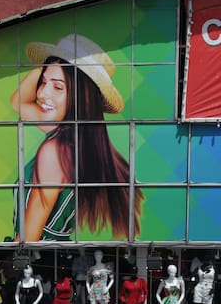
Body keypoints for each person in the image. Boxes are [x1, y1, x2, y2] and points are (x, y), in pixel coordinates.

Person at [10, 33, 143, 242]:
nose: (43, 93)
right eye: (43, 83)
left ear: (81, 96)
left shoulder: (54, 151)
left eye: (58, 87)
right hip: (52, 255)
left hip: (35, 261)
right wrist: (51, 62)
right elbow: (19, 102)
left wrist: (5, 263)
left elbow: (28, 238)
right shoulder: (76, 141)